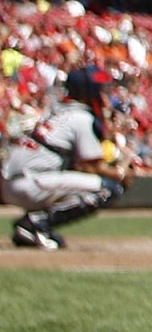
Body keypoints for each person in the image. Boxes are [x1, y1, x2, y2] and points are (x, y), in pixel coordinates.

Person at [5, 66, 126, 249]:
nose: (104, 93)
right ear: (88, 90)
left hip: (15, 181)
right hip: (30, 182)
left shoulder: (56, 110)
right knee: (108, 189)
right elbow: (91, 167)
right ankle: (35, 224)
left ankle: (30, 229)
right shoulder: (81, 117)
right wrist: (121, 173)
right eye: (101, 88)